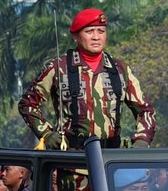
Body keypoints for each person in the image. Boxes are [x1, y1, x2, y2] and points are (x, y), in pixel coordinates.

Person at [19, 8, 156, 150]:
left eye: (101, 31)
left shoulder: (121, 70)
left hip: (109, 161)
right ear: (76, 36)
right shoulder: (59, 68)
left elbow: (145, 110)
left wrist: (142, 140)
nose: (96, 37)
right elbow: (27, 104)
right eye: (89, 32)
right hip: (71, 162)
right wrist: (47, 134)